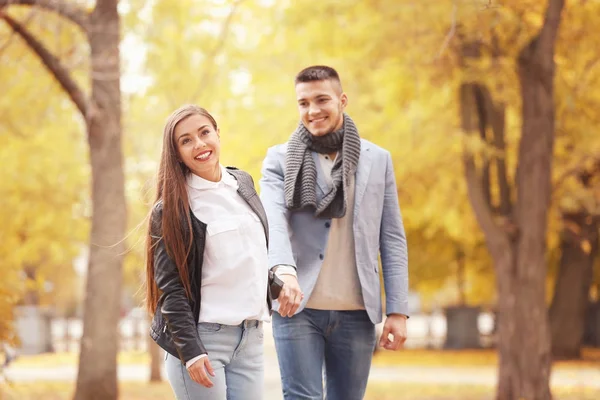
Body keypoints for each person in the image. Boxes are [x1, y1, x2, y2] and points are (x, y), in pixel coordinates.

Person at [260, 65, 409, 400]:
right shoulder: (279, 160)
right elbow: (274, 220)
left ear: (342, 100)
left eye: (321, 99)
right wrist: (284, 271)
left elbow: (392, 238)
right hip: (296, 306)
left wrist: (397, 311)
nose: (312, 110)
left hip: (357, 310)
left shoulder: (378, 159)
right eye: (303, 103)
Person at [146, 104, 282, 400]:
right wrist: (191, 352)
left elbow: (249, 254)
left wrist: (279, 283)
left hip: (251, 337)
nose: (199, 144)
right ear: (177, 153)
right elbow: (171, 288)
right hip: (202, 341)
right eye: (186, 140)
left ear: (217, 133)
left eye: (204, 132)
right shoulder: (173, 209)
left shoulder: (242, 183)